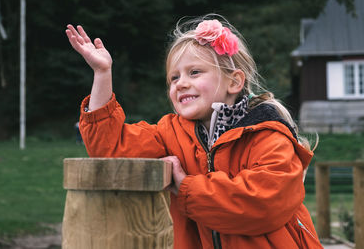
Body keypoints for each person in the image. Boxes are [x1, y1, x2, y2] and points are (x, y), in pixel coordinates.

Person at [65, 14, 323, 249]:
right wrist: (102, 73)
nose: (181, 84)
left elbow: (262, 203)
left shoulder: (267, 134)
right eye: (174, 78)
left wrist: (185, 187)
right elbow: (109, 145)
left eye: (195, 72)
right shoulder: (171, 132)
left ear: (234, 81)